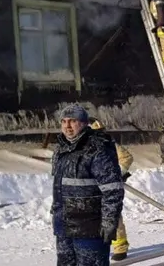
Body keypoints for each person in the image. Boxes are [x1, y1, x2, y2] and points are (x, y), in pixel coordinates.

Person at [51, 104, 124, 266]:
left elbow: (113, 190)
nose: (67, 126)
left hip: (90, 229)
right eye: (64, 121)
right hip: (64, 228)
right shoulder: (61, 149)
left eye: (72, 121)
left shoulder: (97, 148)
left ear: (84, 123)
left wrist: (109, 221)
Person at [89, 117, 133, 262]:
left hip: (109, 188)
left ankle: (120, 247)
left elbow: (126, 157)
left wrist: (116, 174)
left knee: (113, 217)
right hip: (89, 189)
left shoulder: (109, 145)